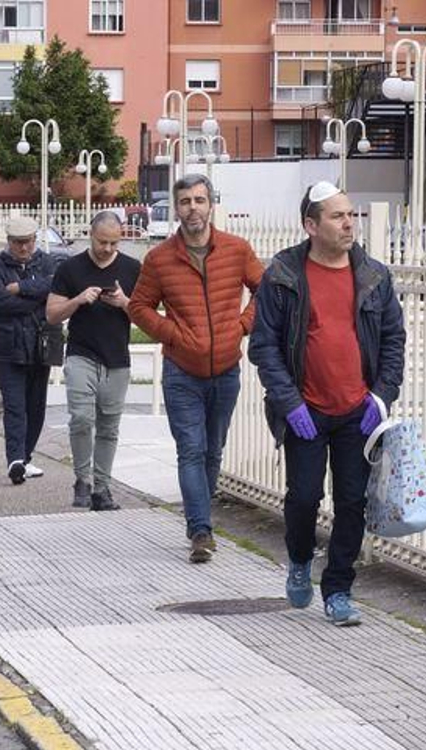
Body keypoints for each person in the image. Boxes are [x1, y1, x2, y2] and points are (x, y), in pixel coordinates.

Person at [249, 182, 406, 627]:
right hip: (306, 411)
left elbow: (393, 340)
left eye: (351, 215)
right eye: (338, 216)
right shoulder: (282, 276)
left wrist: (382, 395)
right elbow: (264, 346)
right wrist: (289, 402)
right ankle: (300, 559)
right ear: (311, 225)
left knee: (352, 502)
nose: (349, 224)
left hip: (359, 413)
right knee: (303, 497)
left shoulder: (374, 276)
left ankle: (338, 589)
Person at [129, 173, 266, 563]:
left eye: (199, 200)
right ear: (176, 208)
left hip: (226, 369)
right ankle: (200, 531)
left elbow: (266, 289)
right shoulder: (159, 259)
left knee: (212, 450)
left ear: (211, 205)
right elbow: (138, 307)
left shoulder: (237, 249)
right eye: (186, 201)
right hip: (181, 371)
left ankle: (201, 521)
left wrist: (242, 326)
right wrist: (172, 334)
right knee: (191, 449)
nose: (193, 208)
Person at [46, 210, 140, 512]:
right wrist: (78, 300)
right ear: (91, 235)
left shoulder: (132, 269)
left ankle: (102, 488)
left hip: (117, 358)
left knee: (109, 426)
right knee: (82, 418)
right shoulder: (70, 268)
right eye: (102, 242)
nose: (108, 249)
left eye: (114, 243)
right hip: (81, 353)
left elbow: (147, 316)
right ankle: (82, 480)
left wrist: (124, 303)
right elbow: (52, 314)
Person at [0, 216, 56, 485]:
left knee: (36, 407)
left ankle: (25, 457)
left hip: (40, 345)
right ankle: (15, 459)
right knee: (15, 405)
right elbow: (1, 303)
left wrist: (21, 288)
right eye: (17, 243)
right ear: (9, 241)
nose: (23, 248)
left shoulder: (47, 263)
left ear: (35, 240)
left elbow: (54, 287)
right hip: (8, 347)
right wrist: (37, 300)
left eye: (27, 242)